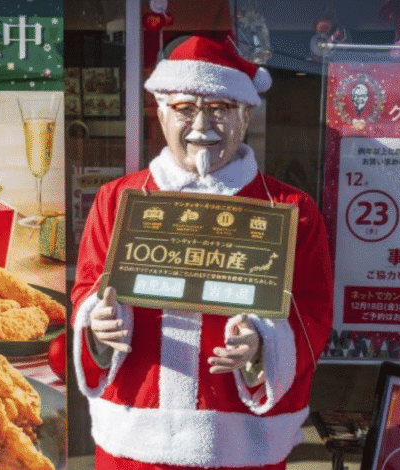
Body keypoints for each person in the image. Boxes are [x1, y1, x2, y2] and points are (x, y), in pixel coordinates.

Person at [70, 35, 334, 470]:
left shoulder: (291, 210)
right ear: (159, 112)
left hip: (240, 444)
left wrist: (263, 345)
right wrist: (96, 324)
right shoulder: (117, 199)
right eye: (185, 109)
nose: (201, 126)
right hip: (134, 438)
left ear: (246, 115)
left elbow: (313, 314)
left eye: (219, 109)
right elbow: (87, 290)